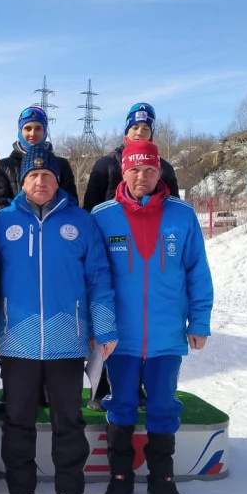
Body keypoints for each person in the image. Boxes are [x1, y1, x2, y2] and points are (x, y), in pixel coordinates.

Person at [0, 144, 118, 494]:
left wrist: (104, 326)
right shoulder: (1, 223)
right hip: (18, 340)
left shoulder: (81, 222)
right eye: (33, 175)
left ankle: (70, 492)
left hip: (67, 339)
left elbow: (99, 278)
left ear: (58, 180)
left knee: (69, 422)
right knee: (18, 421)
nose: (41, 182)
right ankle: (20, 490)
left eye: (47, 176)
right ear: (23, 181)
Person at [92, 139, 213, 494]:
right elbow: (95, 278)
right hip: (120, 338)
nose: (141, 177)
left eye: (149, 170)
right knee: (122, 406)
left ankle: (163, 480)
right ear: (123, 172)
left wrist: (201, 320)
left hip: (166, 336)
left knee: (163, 406)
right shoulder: (103, 216)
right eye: (134, 170)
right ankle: (120, 479)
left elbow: (197, 272)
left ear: (159, 173)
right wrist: (100, 327)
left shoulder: (183, 215)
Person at [84, 102, 180, 411]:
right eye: (135, 127)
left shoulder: (163, 167)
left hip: (146, 252)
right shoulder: (105, 164)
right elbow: (89, 209)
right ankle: (100, 388)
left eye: (146, 128)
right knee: (106, 319)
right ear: (126, 131)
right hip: (110, 249)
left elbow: (172, 210)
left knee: (142, 325)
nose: (140, 132)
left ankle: (140, 388)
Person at [0, 106, 79, 210]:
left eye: (38, 128)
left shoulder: (61, 164)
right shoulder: (4, 166)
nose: (33, 133)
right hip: (16, 224)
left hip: (54, 223)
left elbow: (70, 201)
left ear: (45, 131)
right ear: (20, 131)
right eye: (27, 128)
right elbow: (1, 203)